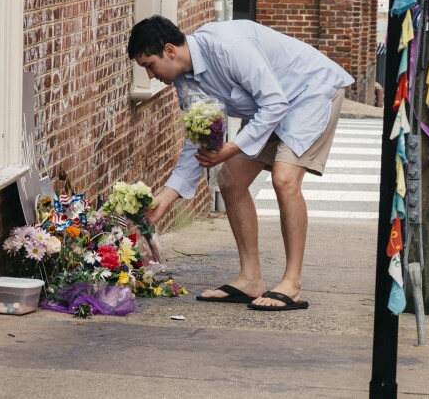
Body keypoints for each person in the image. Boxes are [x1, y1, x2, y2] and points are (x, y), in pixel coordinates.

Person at [128, 16, 353, 311]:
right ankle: (250, 279)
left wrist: (230, 148)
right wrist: (166, 197)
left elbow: (275, 102)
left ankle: (292, 283)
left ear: (169, 50)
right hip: (268, 109)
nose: (150, 75)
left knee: (284, 179)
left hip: (308, 93)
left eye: (149, 65)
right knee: (230, 181)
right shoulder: (184, 80)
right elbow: (199, 139)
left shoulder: (229, 47)